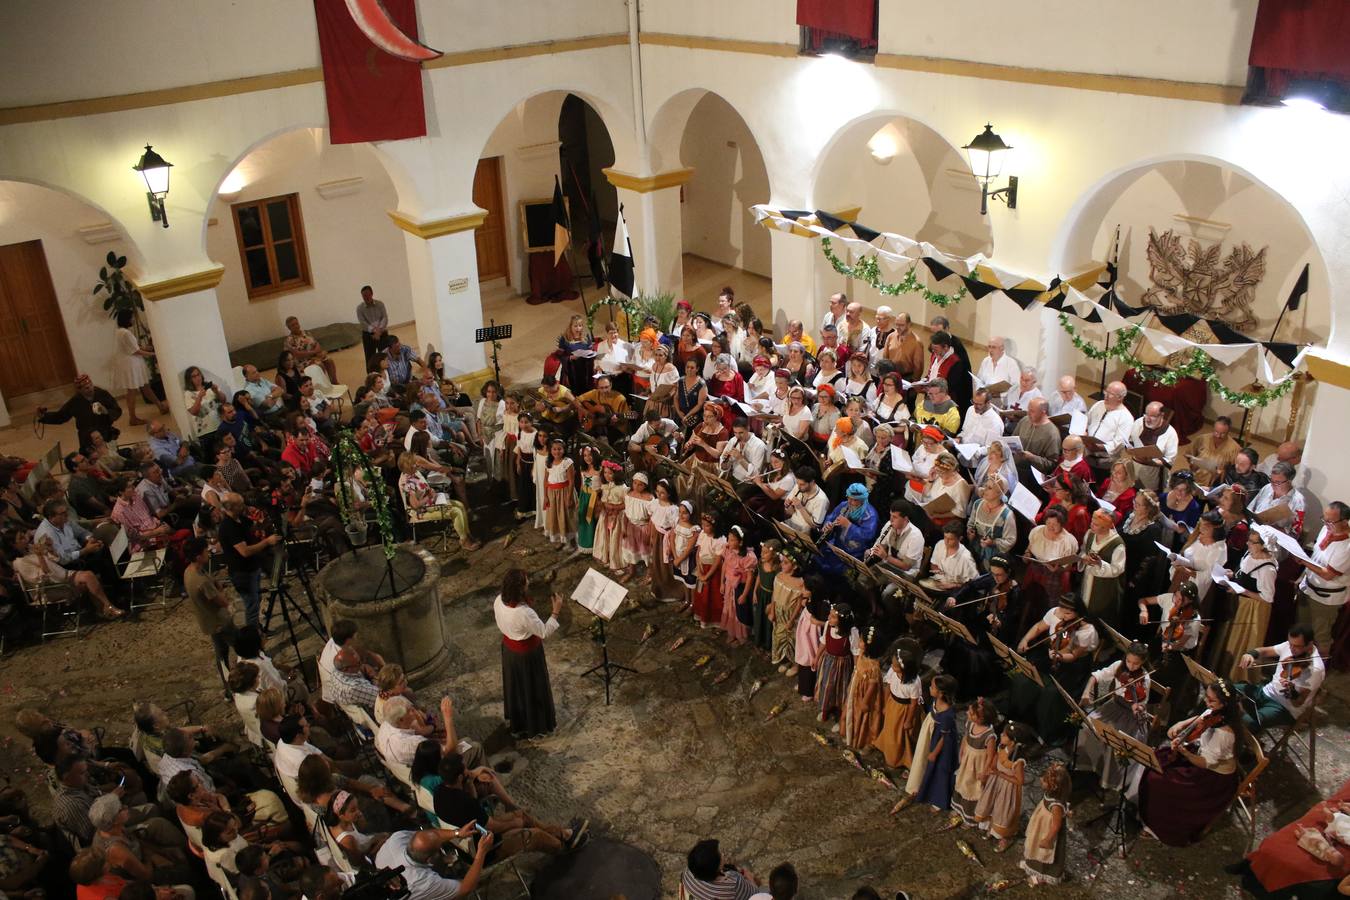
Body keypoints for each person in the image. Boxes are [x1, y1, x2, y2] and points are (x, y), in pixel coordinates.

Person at [1136, 679, 1245, 846]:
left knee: (1158, 780)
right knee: (1158, 758)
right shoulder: (1217, 711)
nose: (1206, 702)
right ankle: (1147, 808)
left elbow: (1205, 763)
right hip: (1201, 755)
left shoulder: (1224, 734)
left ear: (1224, 704)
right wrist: (1182, 723)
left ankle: (1158, 824)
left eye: (1211, 700)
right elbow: (1202, 717)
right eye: (1206, 696)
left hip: (1212, 777)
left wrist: (1184, 751)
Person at [430, 751, 583, 865]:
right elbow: (492, 826)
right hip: (487, 849)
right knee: (533, 834)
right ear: (459, 778)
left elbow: (474, 809)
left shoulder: (440, 792)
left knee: (521, 815)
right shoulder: (463, 802)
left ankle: (562, 834)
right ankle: (563, 847)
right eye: (465, 770)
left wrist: (470, 783)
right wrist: (514, 824)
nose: (468, 771)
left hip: (469, 842)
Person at [494, 568, 563, 738]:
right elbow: (544, 632)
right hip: (527, 657)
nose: (529, 582)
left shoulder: (498, 601)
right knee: (533, 690)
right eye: (526, 581)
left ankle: (519, 724)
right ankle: (537, 726)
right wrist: (556, 611)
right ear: (519, 589)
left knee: (517, 689)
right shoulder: (524, 612)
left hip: (510, 652)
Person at [1075, 642, 1151, 791]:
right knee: (1087, 727)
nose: (1131, 666)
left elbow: (1142, 702)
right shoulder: (1118, 666)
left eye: (1136, 664)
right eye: (1128, 661)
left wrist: (1137, 706)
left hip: (1129, 715)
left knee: (1114, 743)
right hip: (1113, 706)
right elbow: (1096, 676)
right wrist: (1086, 693)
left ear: (1142, 662)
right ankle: (1087, 766)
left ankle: (1105, 781)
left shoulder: (1145, 678)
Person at [1235, 624, 1325, 733]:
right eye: (1290, 644)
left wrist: (1291, 691)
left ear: (1309, 644)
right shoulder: (1290, 645)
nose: (1291, 649)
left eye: (1296, 646)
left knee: (1248, 722)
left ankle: (1240, 743)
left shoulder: (1315, 669)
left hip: (1284, 708)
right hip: (1266, 691)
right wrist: (1250, 654)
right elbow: (1264, 651)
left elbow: (1298, 702)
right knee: (1224, 690)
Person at [374, 826, 495, 900]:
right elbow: (466, 888)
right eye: (439, 849)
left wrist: (457, 833)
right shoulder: (423, 882)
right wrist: (481, 853)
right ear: (430, 860)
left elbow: (428, 836)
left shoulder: (398, 838)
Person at [1292, 501, 1350, 656]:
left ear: (1345, 521)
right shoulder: (1326, 529)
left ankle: (1319, 671)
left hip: (1325, 598)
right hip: (1308, 587)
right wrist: (1302, 576)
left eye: (1330, 521)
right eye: (1324, 519)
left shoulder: (1347, 546)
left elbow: (1328, 574)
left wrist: (1304, 562)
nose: (1326, 524)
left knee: (1320, 635)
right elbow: (1316, 558)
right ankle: (1299, 662)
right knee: (1301, 630)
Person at [896, 674, 959, 813]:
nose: (929, 688)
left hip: (942, 747)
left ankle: (939, 800)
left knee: (940, 771)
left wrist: (935, 753)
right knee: (927, 766)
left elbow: (945, 737)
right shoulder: (935, 702)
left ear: (941, 693)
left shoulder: (948, 715)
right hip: (932, 738)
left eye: (932, 687)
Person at [218, 493, 279, 627]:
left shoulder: (240, 519)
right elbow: (244, 551)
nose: (243, 506)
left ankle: (257, 630)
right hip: (242, 572)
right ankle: (254, 639)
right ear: (231, 507)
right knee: (251, 605)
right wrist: (267, 542)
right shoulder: (228, 527)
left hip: (252, 568)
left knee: (256, 599)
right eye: (240, 504)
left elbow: (254, 526)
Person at [972, 721, 1030, 852]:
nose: (1001, 736)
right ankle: (992, 829)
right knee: (992, 805)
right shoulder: (1001, 747)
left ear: (1013, 740)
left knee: (1003, 811)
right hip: (995, 783)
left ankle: (1004, 838)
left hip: (1008, 788)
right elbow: (995, 760)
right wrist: (989, 771)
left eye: (1004, 735)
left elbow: (1020, 781)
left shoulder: (1018, 760)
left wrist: (1000, 774)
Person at [949, 696, 998, 828]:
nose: (967, 714)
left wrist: (985, 772)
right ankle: (959, 810)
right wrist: (962, 750)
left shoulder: (989, 735)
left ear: (981, 718)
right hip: (967, 762)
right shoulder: (970, 724)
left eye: (971, 713)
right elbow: (966, 737)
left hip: (978, 766)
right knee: (962, 782)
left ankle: (969, 818)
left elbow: (990, 755)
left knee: (972, 789)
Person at [37, 374, 123, 447]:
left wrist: (106, 411)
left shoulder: (102, 394)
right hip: (87, 437)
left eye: (90, 385)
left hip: (105, 433)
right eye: (86, 388)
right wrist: (44, 416)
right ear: (79, 390)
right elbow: (61, 416)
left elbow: (117, 410)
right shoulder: (75, 401)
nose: (90, 388)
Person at [1021, 763, 1071, 885]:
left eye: (1044, 780)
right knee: (1035, 846)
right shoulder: (1050, 795)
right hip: (1041, 826)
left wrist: (1048, 839)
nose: (1040, 780)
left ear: (1053, 787)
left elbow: (1056, 825)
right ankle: (1032, 865)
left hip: (1047, 831)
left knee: (1045, 853)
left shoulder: (1056, 806)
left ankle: (1043, 875)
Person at [873, 650, 923, 770]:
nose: (891, 666)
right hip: (893, 704)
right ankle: (886, 749)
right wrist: (885, 705)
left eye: (895, 665)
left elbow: (913, 703)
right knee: (889, 729)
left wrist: (909, 720)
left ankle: (896, 759)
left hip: (903, 710)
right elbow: (888, 687)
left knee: (898, 735)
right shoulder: (892, 672)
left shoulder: (914, 682)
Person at [1083, 380, 1135, 475]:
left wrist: (1099, 447)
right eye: (1106, 392)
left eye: (1110, 394)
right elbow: (1087, 421)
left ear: (1120, 398)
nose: (1105, 395)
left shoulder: (1126, 418)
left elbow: (1119, 444)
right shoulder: (1099, 405)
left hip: (1104, 462)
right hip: (1086, 453)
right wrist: (1084, 433)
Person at [681, 838, 759, 900]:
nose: (723, 854)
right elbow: (755, 895)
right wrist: (750, 877)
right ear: (716, 868)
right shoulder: (733, 883)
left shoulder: (688, 872)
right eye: (720, 855)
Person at [1127, 401, 1178, 491]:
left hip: (1154, 476)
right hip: (1134, 469)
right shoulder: (1139, 422)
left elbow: (1169, 460)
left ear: (1161, 415)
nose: (1148, 419)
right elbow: (1130, 440)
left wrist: (1149, 461)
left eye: (1153, 416)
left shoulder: (1170, 433)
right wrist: (1129, 449)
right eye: (1146, 414)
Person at [976, 336, 1020, 405]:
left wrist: (1000, 395)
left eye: (993, 347)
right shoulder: (986, 361)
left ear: (1002, 348)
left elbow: (1016, 385)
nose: (990, 350)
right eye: (989, 347)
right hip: (985, 399)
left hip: (1002, 402)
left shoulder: (1011, 363)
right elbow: (979, 379)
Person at [356, 285, 389, 364]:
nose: (366, 297)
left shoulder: (380, 304)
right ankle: (372, 374)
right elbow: (363, 323)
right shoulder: (360, 308)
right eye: (364, 296)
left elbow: (384, 318)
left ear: (372, 294)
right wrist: (374, 330)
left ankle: (387, 373)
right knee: (370, 357)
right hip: (368, 335)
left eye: (367, 295)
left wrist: (379, 330)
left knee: (384, 354)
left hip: (382, 333)